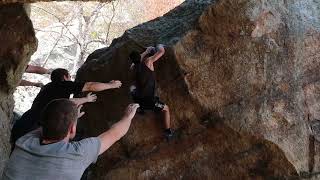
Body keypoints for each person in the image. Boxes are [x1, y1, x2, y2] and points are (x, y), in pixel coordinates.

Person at [3, 99, 140, 180]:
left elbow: (48, 124)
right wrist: (128, 116)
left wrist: (69, 120)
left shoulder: (23, 142)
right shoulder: (77, 154)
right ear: (72, 129)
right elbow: (115, 133)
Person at [11, 68, 122, 145]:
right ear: (65, 77)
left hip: (23, 124)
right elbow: (90, 86)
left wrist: (86, 99)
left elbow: (65, 102)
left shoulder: (48, 88)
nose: (70, 79)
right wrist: (112, 85)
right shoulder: (63, 85)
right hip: (35, 129)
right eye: (69, 77)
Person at [129, 44, 174, 140]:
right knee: (166, 109)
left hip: (138, 100)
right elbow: (161, 52)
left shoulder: (132, 68)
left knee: (132, 88)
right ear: (140, 56)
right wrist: (159, 45)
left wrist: (146, 51)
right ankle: (168, 132)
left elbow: (136, 61)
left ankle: (139, 108)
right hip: (150, 101)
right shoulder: (148, 61)